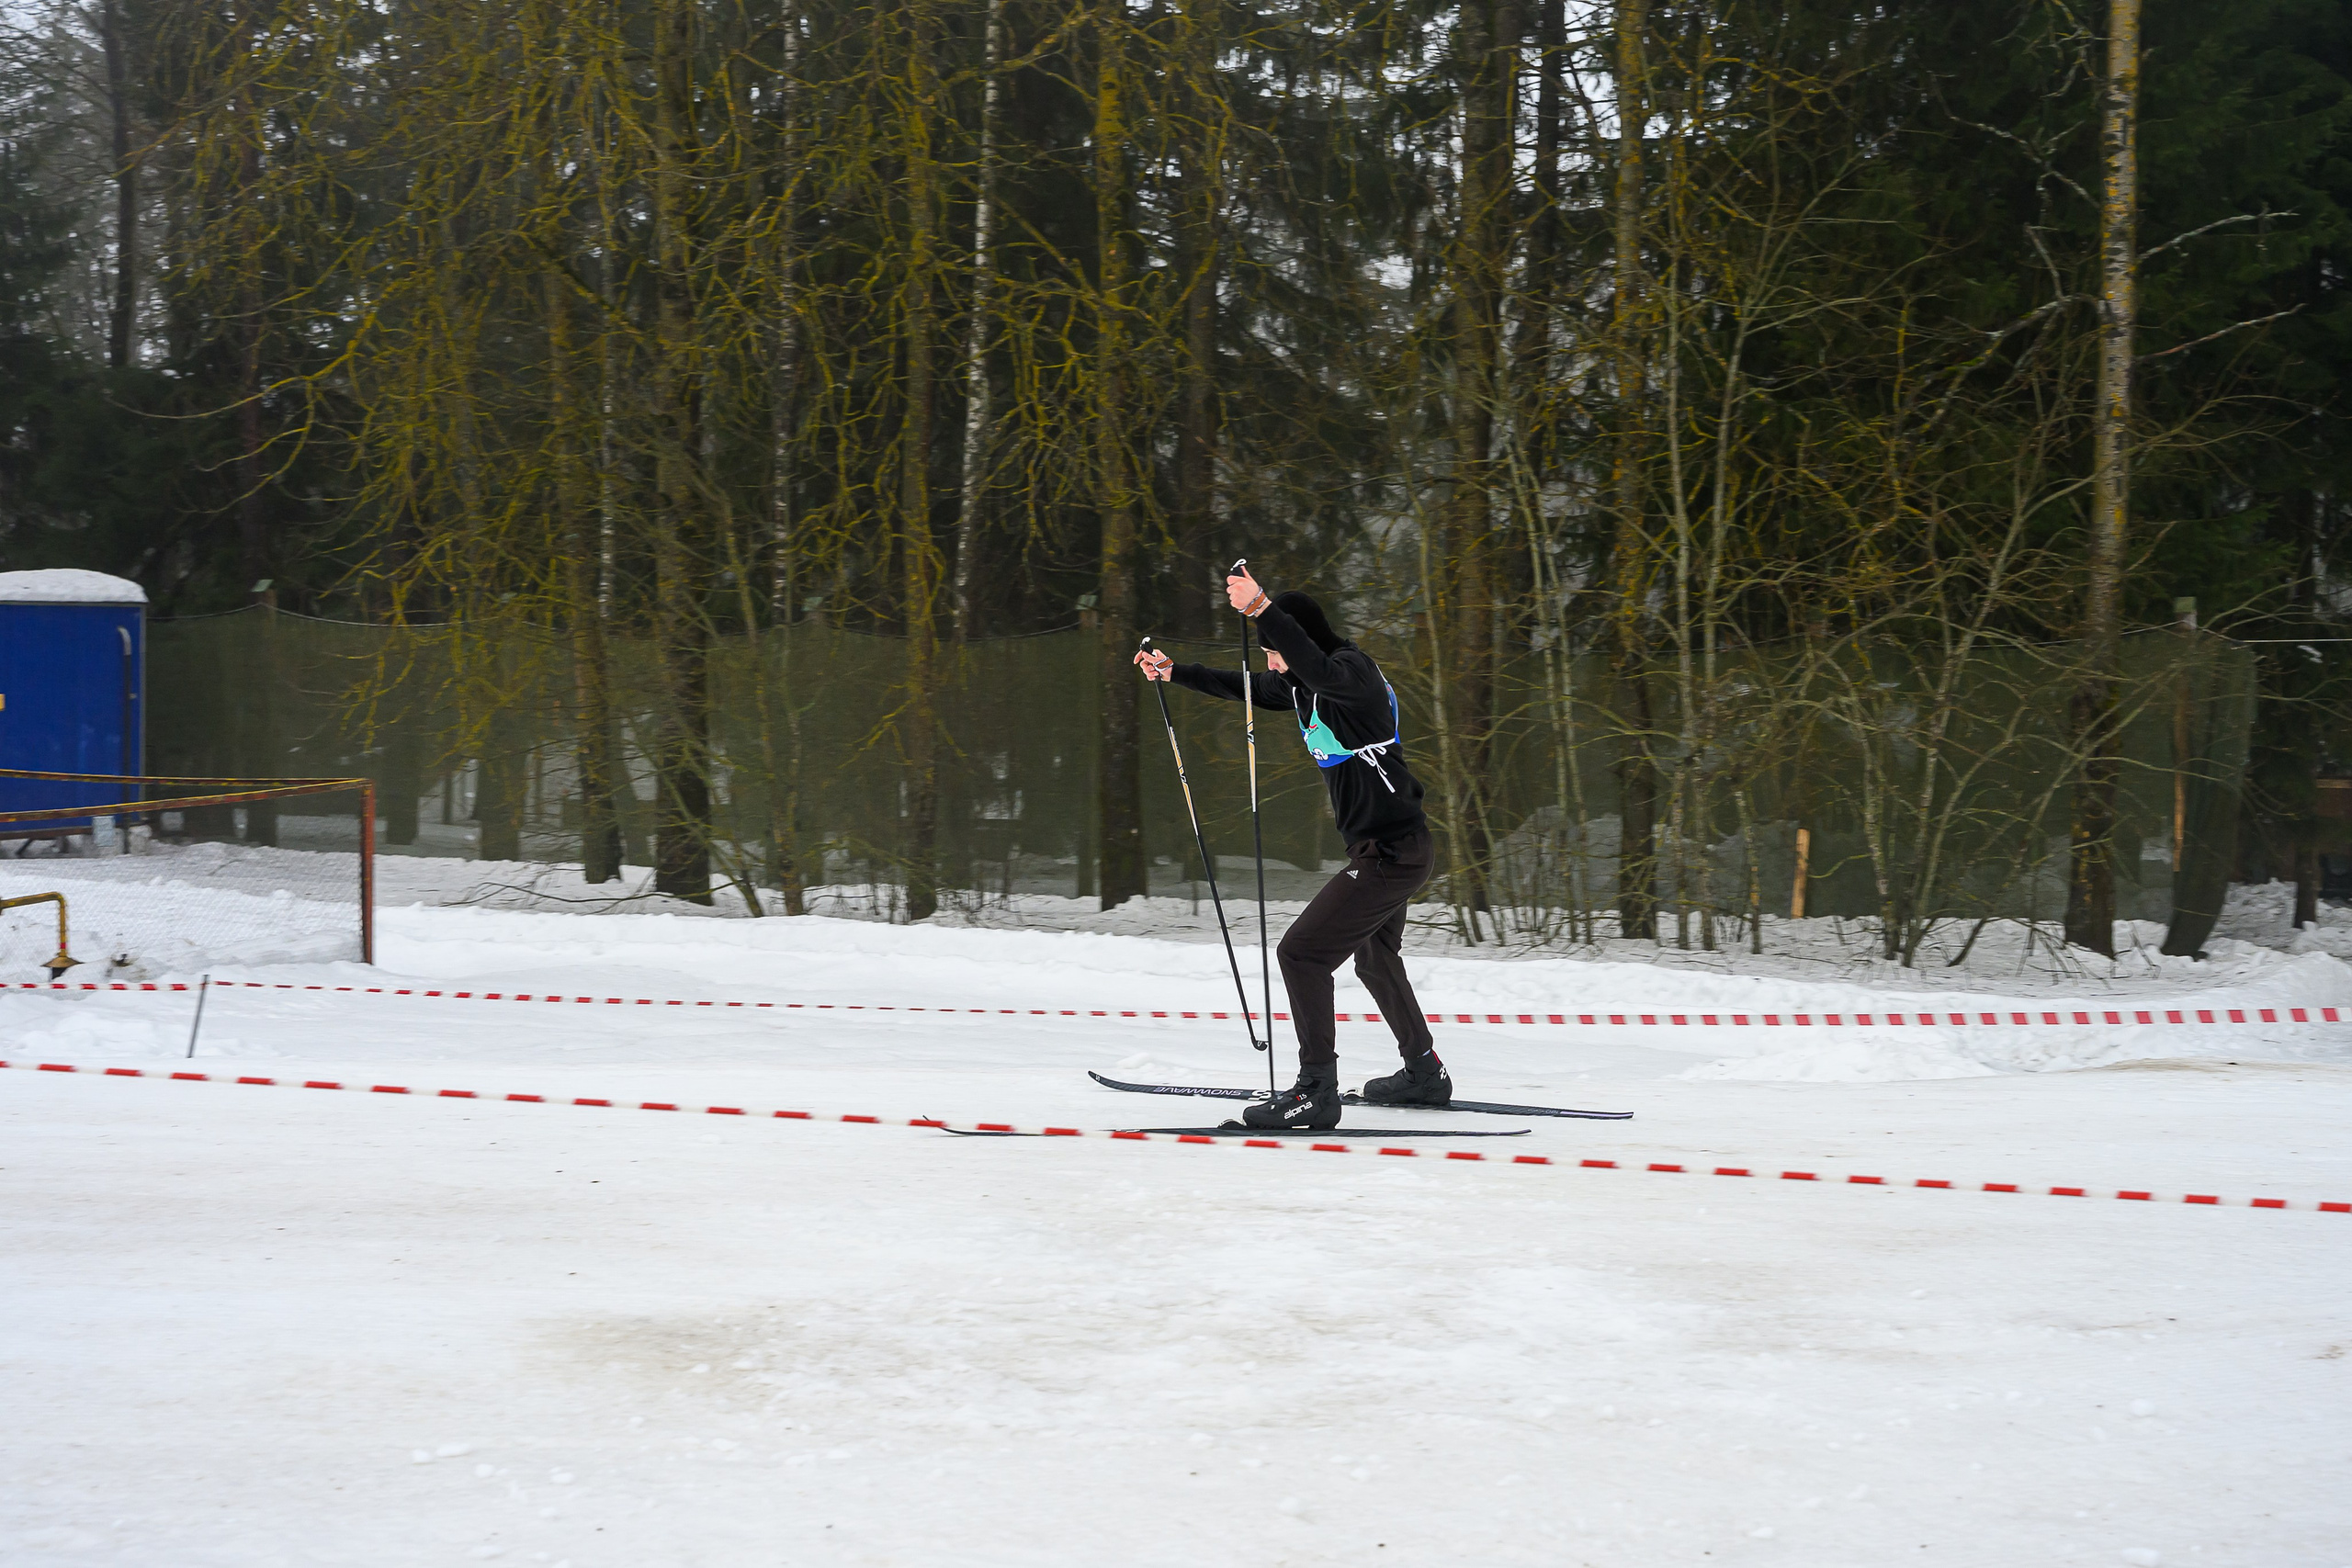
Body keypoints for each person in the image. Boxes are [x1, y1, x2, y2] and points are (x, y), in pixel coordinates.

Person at [1133, 564, 1450, 1131]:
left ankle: (1315, 1091)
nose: (1273, 662)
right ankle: (1425, 1073)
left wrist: (1262, 609)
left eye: (1276, 650)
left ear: (1300, 640)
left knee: (1300, 953)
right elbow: (1245, 684)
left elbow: (1314, 665)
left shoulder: (1352, 676)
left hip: (1394, 852)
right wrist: (1174, 671)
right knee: (1376, 958)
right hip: (1386, 851)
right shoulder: (1307, 686)